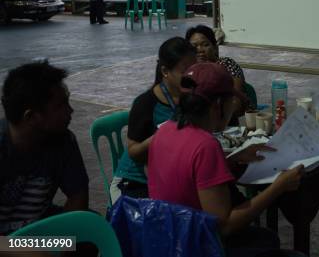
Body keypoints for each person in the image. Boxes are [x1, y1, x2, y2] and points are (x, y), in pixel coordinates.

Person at [147, 62, 304, 255]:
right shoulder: (205, 145)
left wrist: (233, 158)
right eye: (232, 102)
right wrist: (278, 187)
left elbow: (187, 174)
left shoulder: (165, 131)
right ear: (218, 105)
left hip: (169, 239)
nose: (233, 108)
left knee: (266, 238)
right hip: (200, 247)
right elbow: (224, 226)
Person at [0, 61, 89, 235]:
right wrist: (19, 249)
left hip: (36, 233)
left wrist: (64, 245)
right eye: (61, 105)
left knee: (90, 228)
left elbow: (78, 198)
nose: (70, 111)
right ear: (31, 116)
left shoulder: (64, 141)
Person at [110, 37, 197, 203]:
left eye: (194, 70)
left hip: (169, 178)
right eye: (185, 71)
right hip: (135, 182)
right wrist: (163, 135)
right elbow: (134, 152)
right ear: (165, 71)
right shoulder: (145, 103)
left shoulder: (192, 97)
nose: (191, 76)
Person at [186, 25, 250, 122]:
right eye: (194, 46)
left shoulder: (227, 65)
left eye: (205, 45)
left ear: (215, 47)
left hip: (226, 123)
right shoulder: (188, 71)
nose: (200, 50)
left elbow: (236, 104)